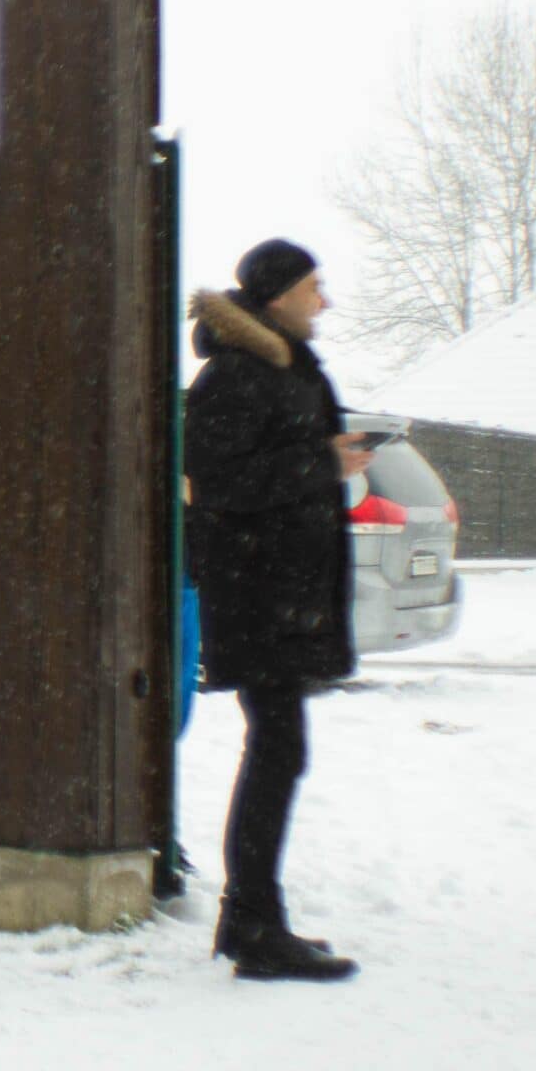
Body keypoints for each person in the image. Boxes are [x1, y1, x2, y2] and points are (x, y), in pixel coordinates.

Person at [184, 240, 370, 982]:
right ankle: (255, 926)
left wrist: (332, 455)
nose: (324, 299)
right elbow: (218, 479)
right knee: (278, 749)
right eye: (313, 286)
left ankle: (248, 919)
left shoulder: (285, 366)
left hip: (284, 590)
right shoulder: (236, 372)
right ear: (277, 294)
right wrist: (322, 463)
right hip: (258, 590)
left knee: (278, 748)